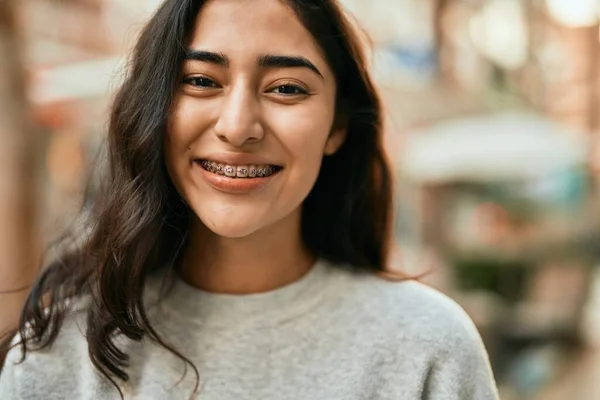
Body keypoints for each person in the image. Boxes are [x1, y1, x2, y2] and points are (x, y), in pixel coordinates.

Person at [0, 0, 499, 399]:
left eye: (285, 88)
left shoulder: (429, 351)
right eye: (200, 81)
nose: (237, 127)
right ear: (155, 108)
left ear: (338, 124)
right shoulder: (61, 354)